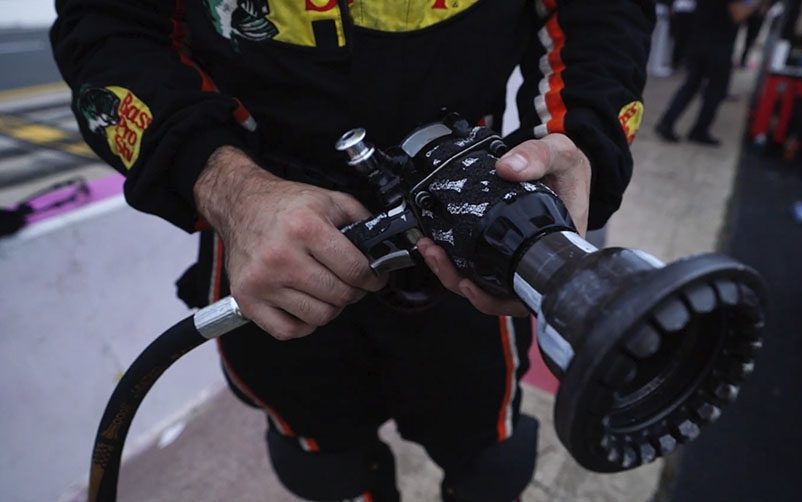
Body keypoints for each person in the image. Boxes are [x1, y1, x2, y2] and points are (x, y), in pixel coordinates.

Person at [51, 1, 653, 500]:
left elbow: (600, 13)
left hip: (476, 221)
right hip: (273, 237)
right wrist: (229, 188)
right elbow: (107, 26)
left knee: (491, 460)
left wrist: (576, 141)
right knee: (322, 467)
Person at [655, 0, 765, 146]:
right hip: (718, 46)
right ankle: (699, 130)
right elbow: (737, 14)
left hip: (699, 40)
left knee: (691, 85)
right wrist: (756, 4)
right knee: (715, 90)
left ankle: (667, 122)